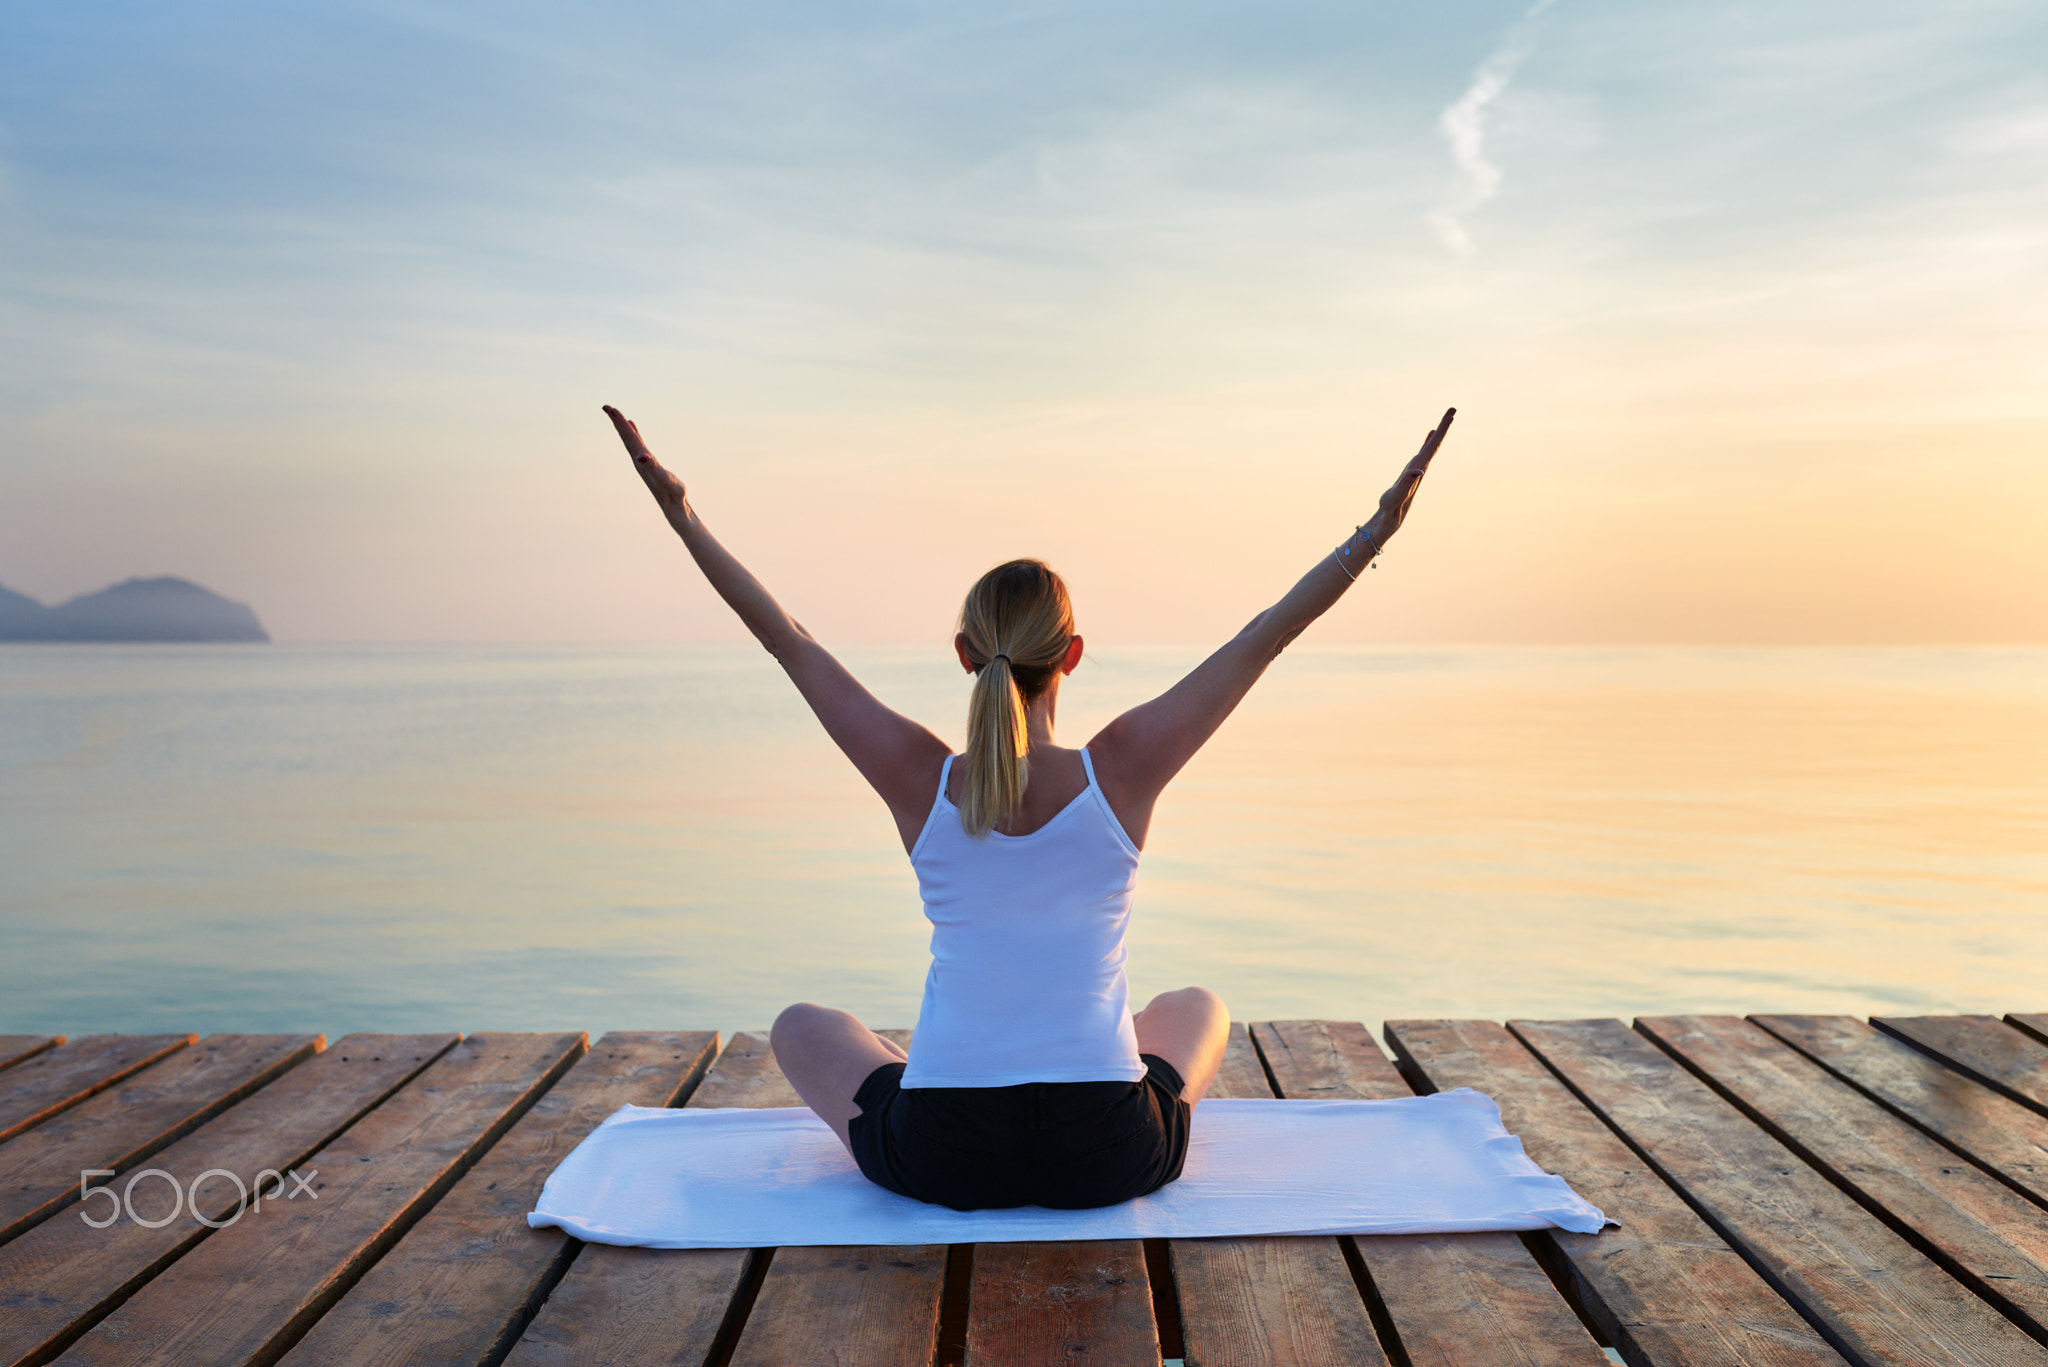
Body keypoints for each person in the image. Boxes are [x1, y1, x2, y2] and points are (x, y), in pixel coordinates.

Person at [604, 402, 1454, 1210]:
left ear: (965, 653)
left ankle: (928, 1066)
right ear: (1072, 655)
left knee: (802, 1025)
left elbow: (788, 640)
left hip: (945, 1151)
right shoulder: (1122, 767)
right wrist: (1373, 534)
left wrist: (683, 516)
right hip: (1109, 1151)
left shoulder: (918, 776)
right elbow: (1264, 634)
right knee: (1197, 1007)